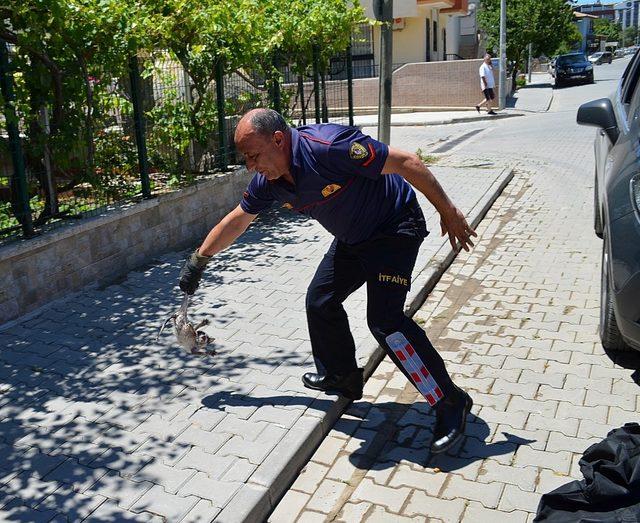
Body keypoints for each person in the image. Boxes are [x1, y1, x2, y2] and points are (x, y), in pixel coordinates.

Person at [179, 108, 477, 454]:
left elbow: (407, 162)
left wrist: (448, 210)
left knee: (385, 322)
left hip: (395, 227)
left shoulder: (329, 147)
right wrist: (199, 260)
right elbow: (237, 220)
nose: (249, 166)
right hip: (353, 239)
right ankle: (342, 376)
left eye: (253, 156)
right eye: (245, 159)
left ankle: (448, 401)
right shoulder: (270, 182)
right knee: (320, 301)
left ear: (278, 140)